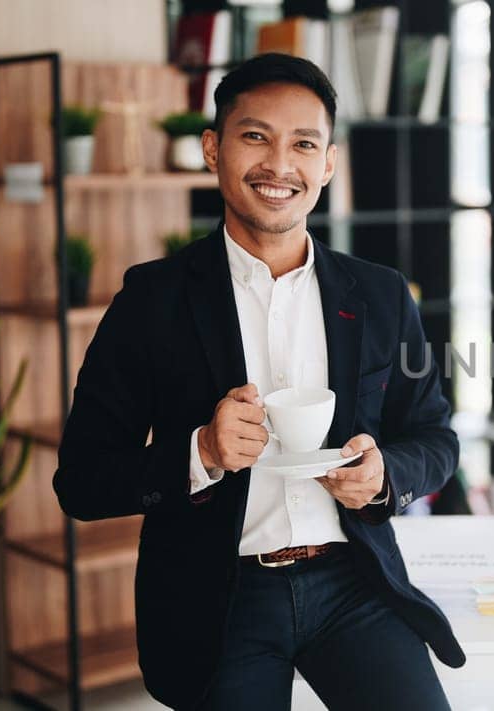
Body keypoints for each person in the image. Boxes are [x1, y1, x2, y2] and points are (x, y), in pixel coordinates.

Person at [52, 53, 463, 710]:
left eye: (304, 143)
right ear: (213, 149)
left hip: (351, 581)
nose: (280, 164)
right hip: (221, 598)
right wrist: (202, 453)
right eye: (255, 136)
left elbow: (436, 436)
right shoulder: (150, 300)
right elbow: (81, 479)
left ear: (328, 163)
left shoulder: (381, 295)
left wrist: (385, 472)